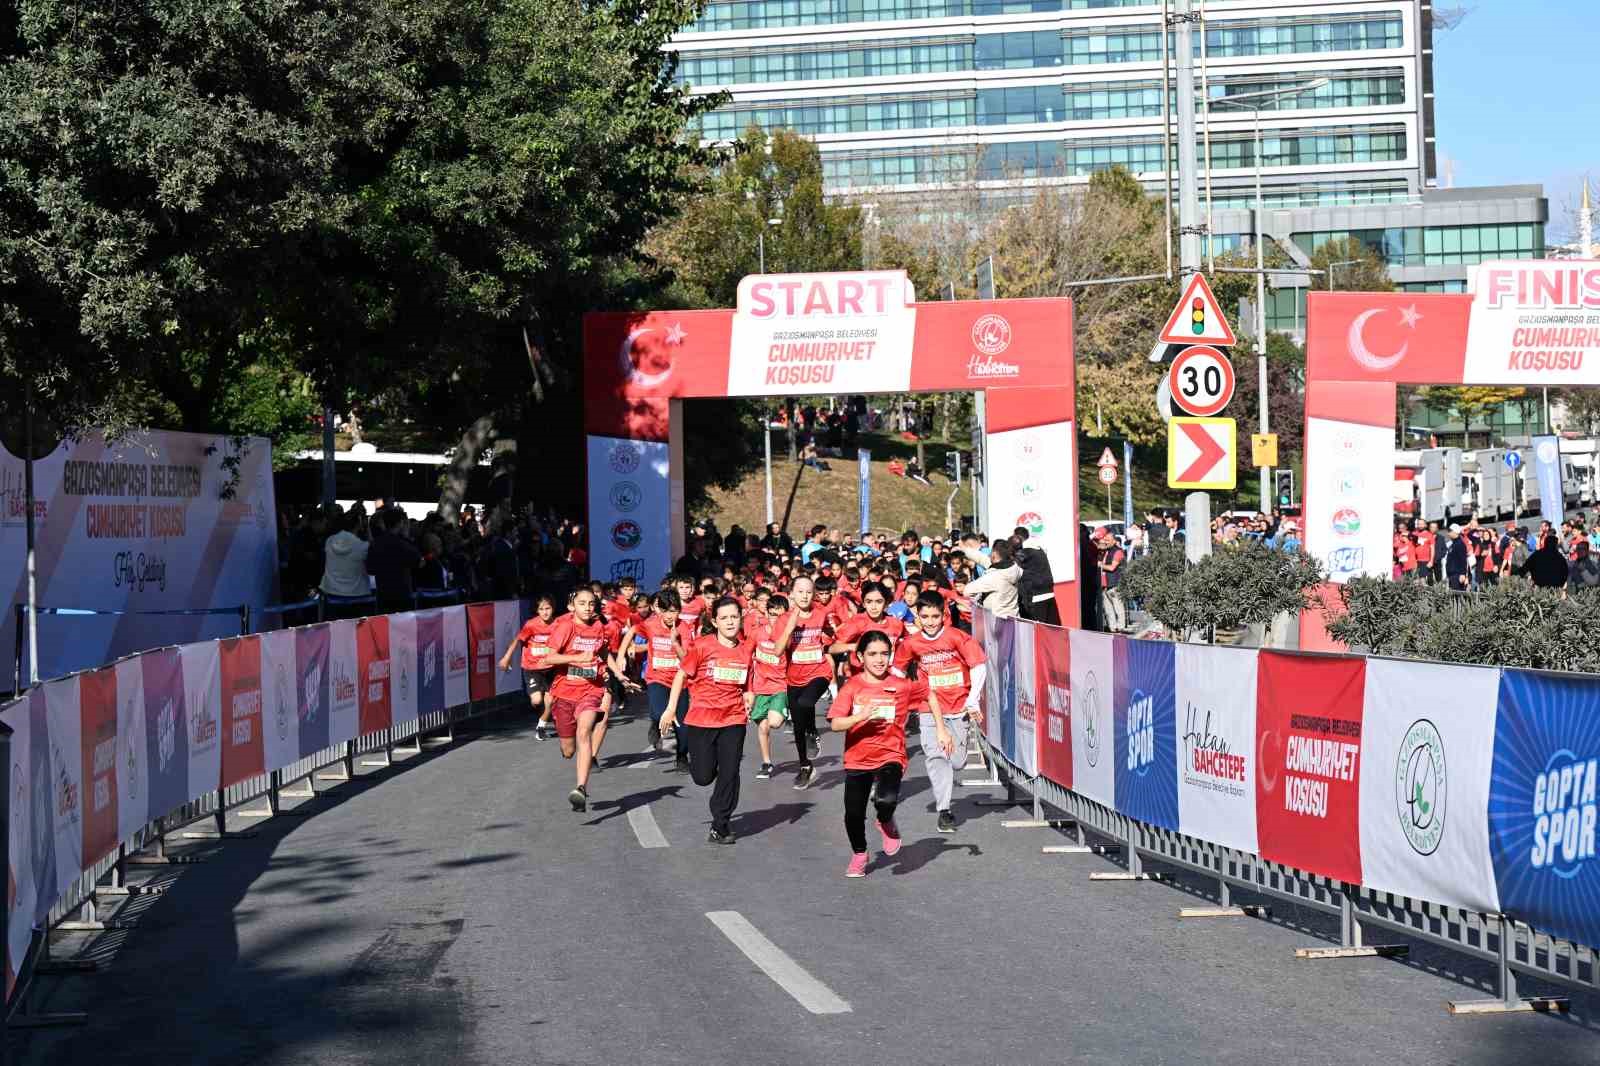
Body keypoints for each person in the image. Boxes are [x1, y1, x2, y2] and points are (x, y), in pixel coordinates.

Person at [828, 630, 931, 877]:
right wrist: (860, 716)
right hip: (858, 757)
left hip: (891, 754)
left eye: (885, 653)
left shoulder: (901, 686)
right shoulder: (852, 687)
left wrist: (943, 729)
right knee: (853, 814)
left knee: (885, 800)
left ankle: (885, 820)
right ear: (860, 657)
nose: (879, 659)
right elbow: (835, 724)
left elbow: (929, 694)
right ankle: (860, 854)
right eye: (872, 654)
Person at [660, 597, 756, 845]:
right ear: (715, 621)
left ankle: (720, 824)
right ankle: (717, 800)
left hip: (733, 718)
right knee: (702, 777)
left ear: (740, 618)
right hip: (702, 720)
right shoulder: (702, 646)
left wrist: (749, 694)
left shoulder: (746, 649)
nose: (730, 622)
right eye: (724, 618)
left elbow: (747, 681)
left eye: (734, 617)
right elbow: (682, 675)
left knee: (730, 771)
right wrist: (670, 709)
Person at [895, 592, 987, 834]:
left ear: (944, 614)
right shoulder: (911, 643)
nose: (931, 622)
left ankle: (957, 756)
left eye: (935, 616)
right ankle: (944, 811)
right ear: (918, 616)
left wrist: (973, 699)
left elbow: (979, 666)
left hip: (959, 707)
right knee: (936, 757)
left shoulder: (957, 637)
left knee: (957, 761)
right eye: (925, 617)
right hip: (928, 708)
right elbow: (896, 672)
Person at [542, 589, 626, 813]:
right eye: (582, 603)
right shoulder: (565, 627)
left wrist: (618, 674)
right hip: (564, 693)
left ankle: (581, 788)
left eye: (591, 603)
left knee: (585, 731)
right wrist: (576, 658)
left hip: (592, 690)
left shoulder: (599, 626)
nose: (588, 607)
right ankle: (568, 750)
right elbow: (549, 657)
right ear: (572, 607)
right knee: (569, 749)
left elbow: (605, 652)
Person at [785, 576, 837, 790]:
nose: (805, 595)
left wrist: (829, 636)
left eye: (809, 592)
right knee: (797, 727)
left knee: (807, 703)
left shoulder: (821, 613)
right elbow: (781, 647)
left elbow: (828, 631)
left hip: (819, 672)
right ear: (792, 595)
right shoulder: (786, 619)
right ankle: (805, 767)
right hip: (794, 676)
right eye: (800, 592)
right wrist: (789, 627)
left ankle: (813, 732)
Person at [747, 595, 801, 779]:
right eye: (772, 614)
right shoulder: (757, 633)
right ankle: (766, 763)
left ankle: (786, 713)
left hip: (780, 686)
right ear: (766, 613)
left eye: (780, 615)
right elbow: (746, 655)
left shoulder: (787, 636)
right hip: (760, 686)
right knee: (763, 729)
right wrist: (747, 689)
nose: (775, 619)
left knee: (774, 722)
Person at [636, 590, 687, 759]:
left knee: (683, 726)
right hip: (657, 678)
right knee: (659, 713)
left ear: (679, 610)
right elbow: (633, 632)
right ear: (659, 610)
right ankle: (655, 722)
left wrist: (675, 642)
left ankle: (681, 758)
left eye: (673, 611)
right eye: (665, 610)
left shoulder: (684, 628)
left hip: (680, 682)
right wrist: (624, 652)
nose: (669, 615)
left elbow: (687, 660)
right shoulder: (651, 623)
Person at [498, 595, 558, 739]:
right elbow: (518, 640)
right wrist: (507, 657)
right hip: (532, 668)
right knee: (537, 700)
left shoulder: (558, 624)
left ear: (553, 609)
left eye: (548, 608)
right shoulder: (531, 624)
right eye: (541, 609)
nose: (545, 612)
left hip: (551, 668)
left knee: (551, 700)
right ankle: (546, 712)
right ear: (537, 611)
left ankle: (541, 726)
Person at [320, 508, 371, 605]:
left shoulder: (329, 541)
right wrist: (368, 530)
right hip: (358, 594)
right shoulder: (363, 546)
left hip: (332, 593)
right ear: (359, 525)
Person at [960, 539, 1022, 618]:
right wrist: (965, 549)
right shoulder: (1015, 568)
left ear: (994, 554)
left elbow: (967, 591)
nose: (989, 555)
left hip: (996, 622)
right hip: (1013, 618)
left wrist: (979, 597)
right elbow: (983, 559)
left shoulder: (994, 577)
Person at [1011, 525, 1060, 624]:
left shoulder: (1025, 552)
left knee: (1038, 633)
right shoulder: (1039, 549)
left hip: (1036, 598)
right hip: (1049, 594)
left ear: (1017, 538)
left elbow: (1013, 567)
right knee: (1053, 630)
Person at [1096, 529, 1127, 632]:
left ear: (1114, 541)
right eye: (1105, 540)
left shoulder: (1117, 551)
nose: (1106, 542)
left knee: (1118, 608)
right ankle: (1112, 628)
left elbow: (1112, 568)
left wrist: (1100, 565)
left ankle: (1120, 628)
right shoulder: (1106, 551)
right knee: (1108, 610)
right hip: (1105, 585)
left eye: (1108, 540)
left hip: (1114, 584)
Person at [1444, 524, 1471, 591]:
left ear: (1455, 532)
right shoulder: (1453, 544)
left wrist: (1463, 574)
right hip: (1452, 575)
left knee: (1458, 595)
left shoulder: (1460, 544)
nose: (1448, 533)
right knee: (1453, 596)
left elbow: (1463, 560)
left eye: (1450, 531)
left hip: (1457, 575)